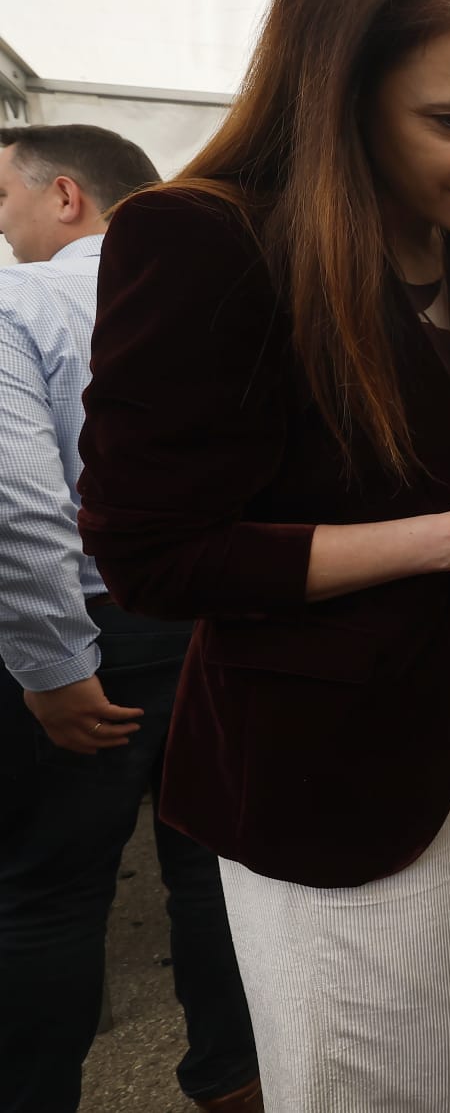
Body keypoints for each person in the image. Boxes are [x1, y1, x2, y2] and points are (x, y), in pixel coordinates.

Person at [77, 0, 450, 1107]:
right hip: (319, 765)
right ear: (337, 93)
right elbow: (155, 556)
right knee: (380, 1079)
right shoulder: (202, 243)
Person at [0, 125, 261, 1113]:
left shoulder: (21, 298)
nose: (4, 227)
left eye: (5, 202)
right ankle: (235, 1079)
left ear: (66, 195)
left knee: (50, 888)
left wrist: (52, 664)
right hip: (220, 617)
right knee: (211, 868)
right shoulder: (236, 296)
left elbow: (19, 507)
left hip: (95, 630)